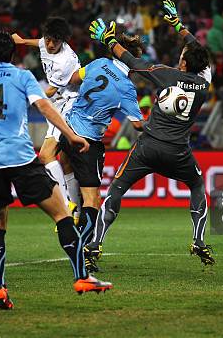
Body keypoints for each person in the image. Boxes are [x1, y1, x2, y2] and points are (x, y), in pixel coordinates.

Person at [0, 31, 112, 310]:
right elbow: (45, 107)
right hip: (20, 158)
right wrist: (71, 135)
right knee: (62, 214)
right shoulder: (22, 77)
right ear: (12, 54)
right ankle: (82, 277)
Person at [85, 0, 214, 271]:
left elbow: (131, 61)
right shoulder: (204, 84)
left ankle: (96, 243)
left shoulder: (166, 75)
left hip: (148, 147)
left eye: (181, 54)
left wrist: (109, 41)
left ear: (182, 62)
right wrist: (179, 26)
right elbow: (199, 53)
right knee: (198, 186)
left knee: (116, 190)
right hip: (178, 153)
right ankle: (198, 240)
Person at [58, 34, 145, 271]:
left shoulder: (99, 63)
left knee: (66, 166)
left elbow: (74, 79)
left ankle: (71, 205)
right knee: (93, 199)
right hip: (87, 142)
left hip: (67, 130)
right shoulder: (126, 87)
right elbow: (138, 125)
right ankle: (84, 250)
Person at [12, 17, 82, 219]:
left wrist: (27, 98)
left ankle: (65, 204)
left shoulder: (64, 61)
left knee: (45, 155)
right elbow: (40, 43)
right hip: (59, 103)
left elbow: (50, 91)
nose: (50, 44)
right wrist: (24, 41)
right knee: (65, 161)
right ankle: (76, 209)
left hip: (68, 105)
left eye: (55, 41)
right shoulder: (47, 42)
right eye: (48, 39)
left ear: (62, 41)